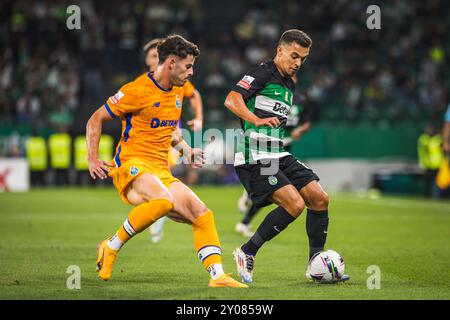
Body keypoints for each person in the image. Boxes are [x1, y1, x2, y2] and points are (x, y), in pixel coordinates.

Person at [86, 35, 247, 288]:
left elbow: (169, 131)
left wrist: (186, 150)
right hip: (131, 165)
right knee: (162, 201)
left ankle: (218, 276)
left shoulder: (179, 91)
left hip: (160, 169)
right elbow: (95, 119)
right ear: (171, 63)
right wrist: (92, 158)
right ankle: (111, 246)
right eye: (188, 66)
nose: (192, 72)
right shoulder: (136, 90)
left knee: (202, 214)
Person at [224, 29, 349, 283]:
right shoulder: (261, 73)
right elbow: (231, 99)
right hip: (253, 156)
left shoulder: (290, 83)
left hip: (277, 153)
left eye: (303, 58)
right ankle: (246, 252)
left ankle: (316, 264)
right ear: (279, 50)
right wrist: (255, 119)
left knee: (319, 198)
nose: (298, 63)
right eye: (294, 56)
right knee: (294, 204)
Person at [140, 38, 204, 243]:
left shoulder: (179, 80)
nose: (153, 59)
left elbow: (194, 95)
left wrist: (199, 118)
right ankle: (161, 207)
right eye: (150, 56)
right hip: (147, 141)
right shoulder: (141, 84)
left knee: (163, 169)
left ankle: (160, 211)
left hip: (171, 135)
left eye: (155, 55)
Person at [236, 76, 311, 237]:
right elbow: (239, 102)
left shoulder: (299, 99)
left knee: (275, 189)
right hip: (266, 146)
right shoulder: (269, 91)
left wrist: (301, 130)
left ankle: (247, 207)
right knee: (274, 189)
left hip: (284, 148)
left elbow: (306, 122)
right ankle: (246, 217)